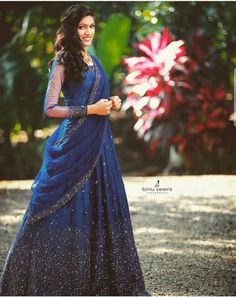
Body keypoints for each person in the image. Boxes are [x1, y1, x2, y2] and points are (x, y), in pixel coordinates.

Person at [0, 4, 150, 296]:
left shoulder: (95, 61)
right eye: (82, 27)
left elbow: (100, 99)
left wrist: (112, 103)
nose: (88, 32)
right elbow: (50, 109)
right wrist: (90, 109)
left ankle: (100, 281)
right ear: (72, 29)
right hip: (73, 144)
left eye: (92, 26)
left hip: (100, 145)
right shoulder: (61, 62)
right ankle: (41, 279)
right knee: (57, 208)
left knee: (99, 206)